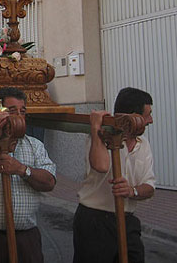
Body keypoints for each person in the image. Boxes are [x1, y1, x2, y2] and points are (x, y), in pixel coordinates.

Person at [0, 87, 56, 263]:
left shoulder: (34, 145)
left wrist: (22, 170)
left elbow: (49, 182)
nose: (19, 117)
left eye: (22, 112)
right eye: (12, 112)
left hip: (25, 238)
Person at [73, 87, 155, 263]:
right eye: (147, 115)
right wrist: (95, 126)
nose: (150, 120)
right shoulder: (100, 136)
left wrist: (132, 191)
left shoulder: (144, 144)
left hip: (127, 221)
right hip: (95, 221)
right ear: (133, 117)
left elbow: (149, 187)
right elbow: (101, 166)